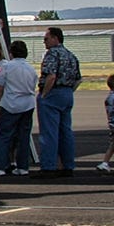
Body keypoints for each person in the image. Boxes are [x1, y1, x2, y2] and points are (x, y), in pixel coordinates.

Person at [37, 26, 81, 177]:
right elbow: (78, 78)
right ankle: (68, 165)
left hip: (53, 93)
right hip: (67, 92)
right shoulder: (70, 55)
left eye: (46, 39)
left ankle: (49, 166)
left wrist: (44, 94)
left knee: (49, 132)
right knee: (65, 131)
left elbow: (51, 76)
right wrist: (68, 91)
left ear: (55, 38)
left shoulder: (52, 54)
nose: (44, 42)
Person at [0, 40, 38, 177]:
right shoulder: (31, 68)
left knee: (4, 136)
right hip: (27, 104)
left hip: (10, 103)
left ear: (11, 53)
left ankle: (1, 166)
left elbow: (0, 87)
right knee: (23, 137)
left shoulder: (7, 67)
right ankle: (22, 166)